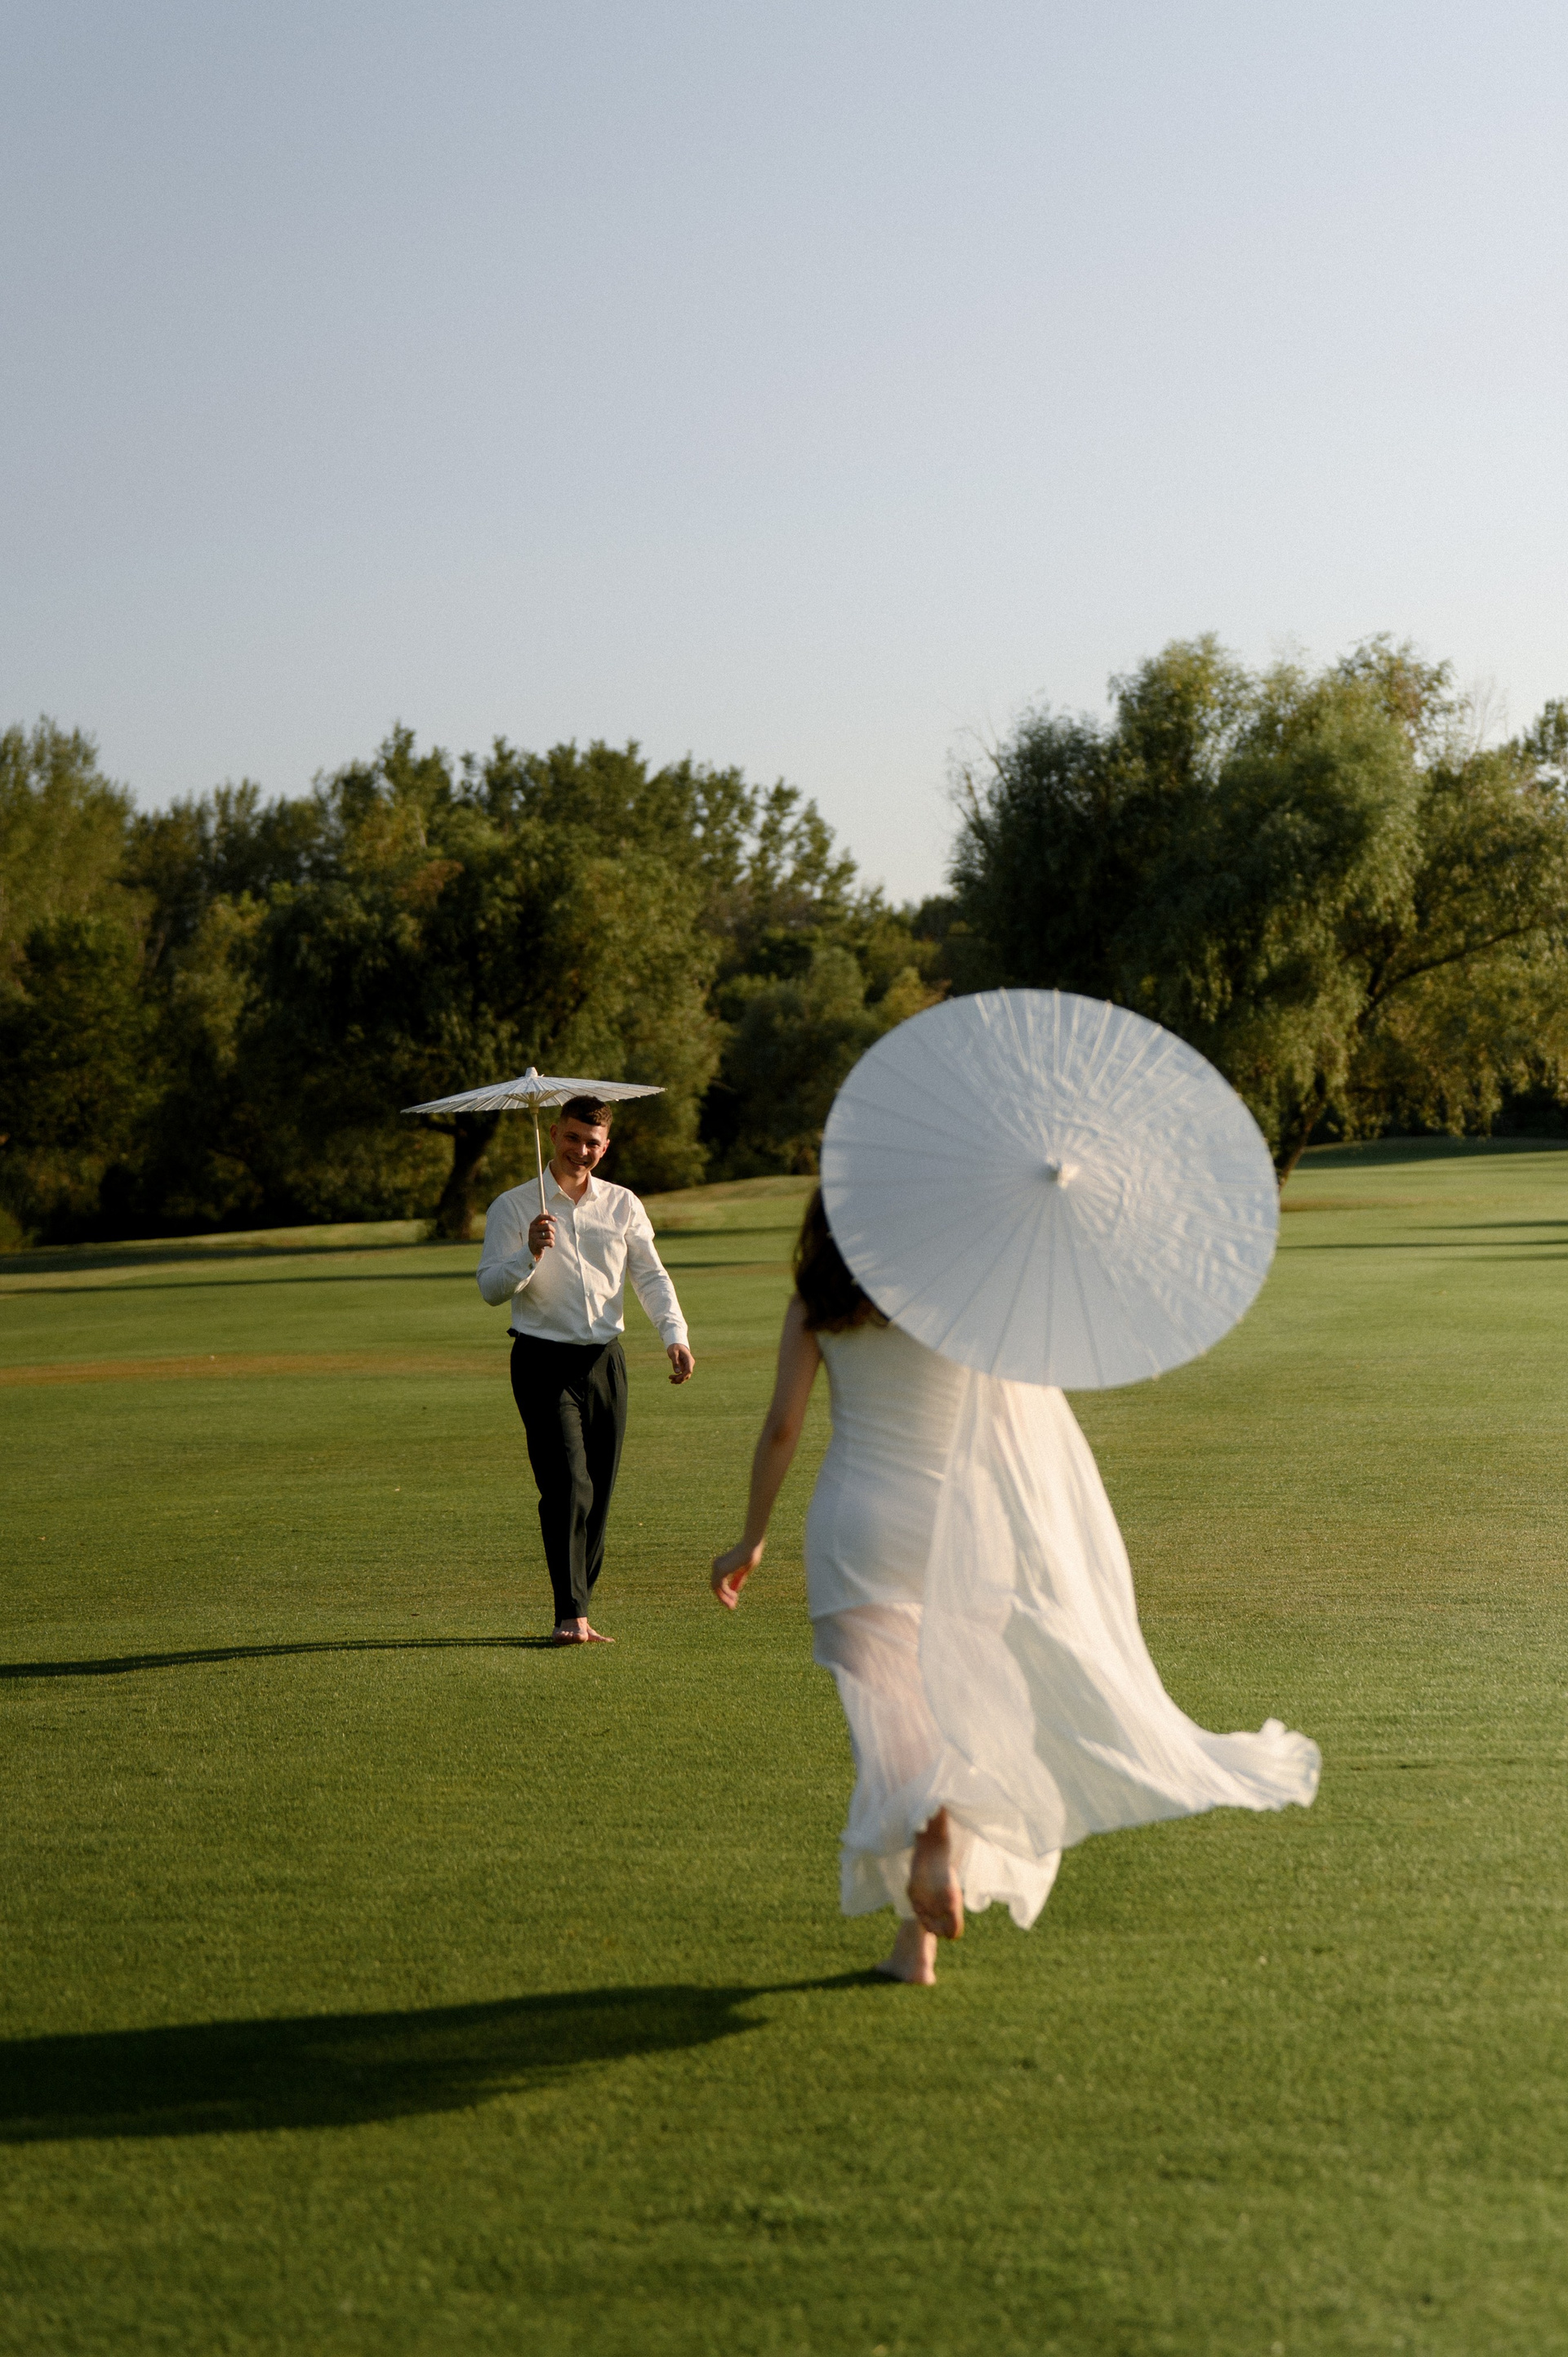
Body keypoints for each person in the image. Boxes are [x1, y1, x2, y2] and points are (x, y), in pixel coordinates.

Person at [711, 1190, 1319, 1985]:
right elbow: (1010, 1431)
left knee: (893, 1724)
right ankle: (916, 1938)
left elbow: (783, 1428)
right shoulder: (965, 1298)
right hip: (960, 1530)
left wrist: (751, 1536)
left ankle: (928, 1860)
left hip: (856, 1529)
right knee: (957, 1715)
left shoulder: (815, 1302)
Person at [478, 1096, 694, 1646]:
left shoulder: (622, 1204)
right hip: (542, 1360)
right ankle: (569, 1614)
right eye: (573, 1138)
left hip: (605, 1361)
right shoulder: (513, 1206)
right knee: (568, 1486)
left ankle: (580, 1608)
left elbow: (650, 1275)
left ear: (606, 1145)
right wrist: (528, 1254)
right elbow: (490, 1289)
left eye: (593, 1142)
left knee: (597, 1492)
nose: (582, 1150)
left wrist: (674, 1335)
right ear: (553, 1134)